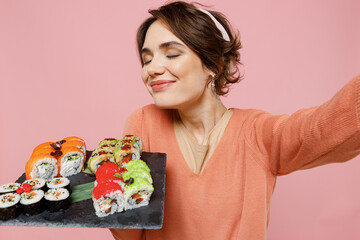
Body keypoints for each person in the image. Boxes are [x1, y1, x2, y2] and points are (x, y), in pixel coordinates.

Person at [110, 1, 360, 239]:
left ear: (213, 64)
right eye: (147, 59)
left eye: (172, 54)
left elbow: (323, 129)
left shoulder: (257, 133)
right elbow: (131, 231)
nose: (152, 69)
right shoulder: (143, 123)